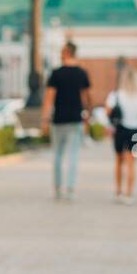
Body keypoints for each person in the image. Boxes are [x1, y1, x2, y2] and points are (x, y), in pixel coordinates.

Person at [41, 41, 92, 200]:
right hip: (75, 120)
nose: (59, 55)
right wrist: (88, 117)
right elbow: (87, 98)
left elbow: (49, 98)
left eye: (62, 52)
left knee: (57, 155)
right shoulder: (82, 73)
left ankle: (57, 188)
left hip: (58, 120)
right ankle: (70, 189)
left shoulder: (56, 74)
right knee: (73, 156)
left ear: (67, 53)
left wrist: (45, 119)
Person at [106, 66, 137, 204]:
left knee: (119, 161)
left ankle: (118, 191)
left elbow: (107, 112)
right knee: (132, 164)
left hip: (120, 130)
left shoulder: (116, 95)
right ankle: (129, 193)